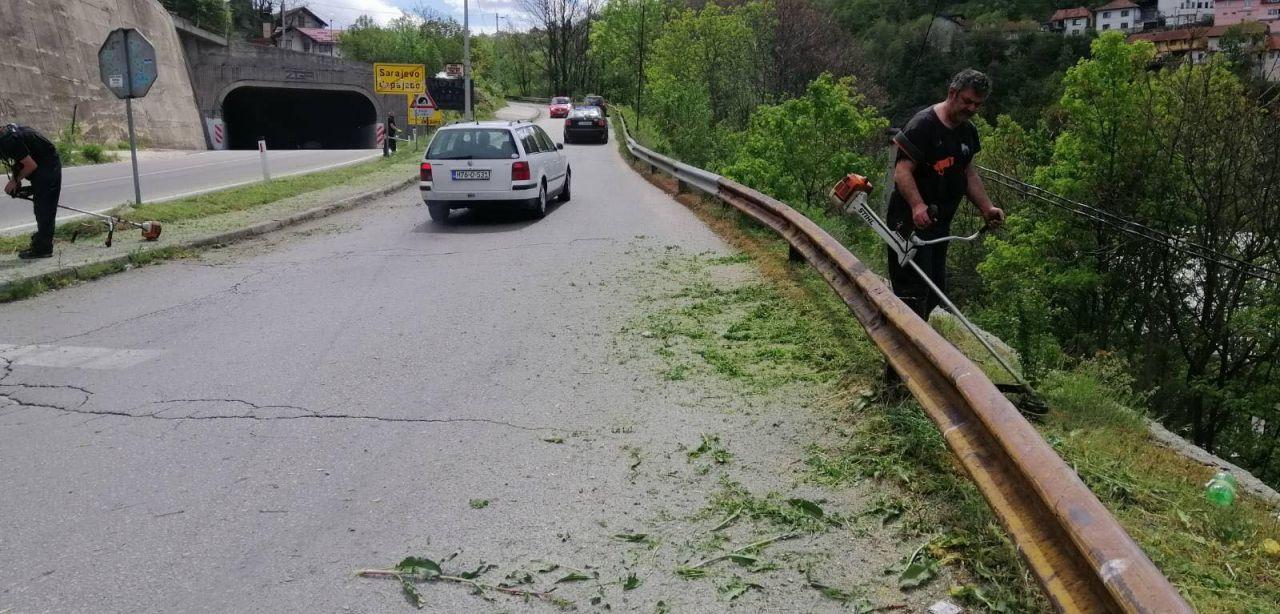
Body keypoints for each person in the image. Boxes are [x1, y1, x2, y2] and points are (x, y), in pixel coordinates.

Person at [884, 69, 1004, 387]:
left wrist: (986, 207)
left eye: (978, 105)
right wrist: (917, 205)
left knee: (935, 293)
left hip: (940, 227)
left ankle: (918, 365)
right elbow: (902, 172)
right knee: (912, 295)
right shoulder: (923, 125)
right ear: (952, 93)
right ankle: (895, 376)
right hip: (908, 225)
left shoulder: (967, 133)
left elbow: (969, 175)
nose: (972, 109)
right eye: (967, 101)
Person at [1, 123, 62, 259]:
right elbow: (19, 159)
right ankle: (41, 239)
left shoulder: (9, 140)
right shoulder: (6, 134)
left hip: (48, 165)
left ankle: (44, 249)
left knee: (44, 208)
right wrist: (16, 178)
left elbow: (30, 165)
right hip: (40, 164)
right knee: (41, 204)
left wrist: (14, 181)